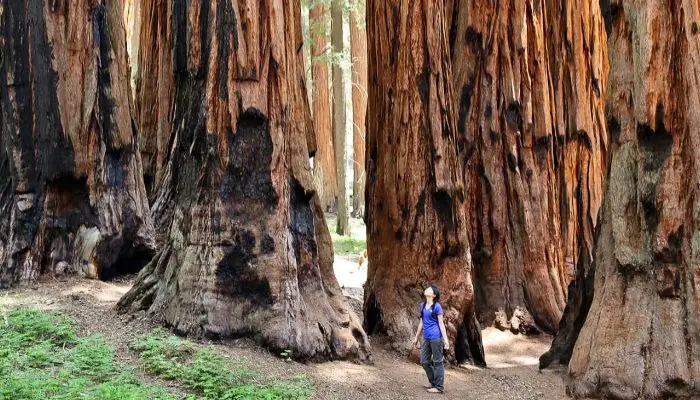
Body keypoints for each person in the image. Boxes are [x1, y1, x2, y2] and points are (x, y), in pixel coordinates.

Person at [412, 285, 449, 394]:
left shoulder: (437, 307)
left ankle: (439, 387)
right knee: (424, 361)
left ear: (433, 295)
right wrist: (416, 337)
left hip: (436, 337)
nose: (427, 289)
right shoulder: (422, 306)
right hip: (426, 337)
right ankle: (433, 382)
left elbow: (441, 324)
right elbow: (421, 322)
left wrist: (445, 340)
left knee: (438, 362)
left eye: (430, 289)